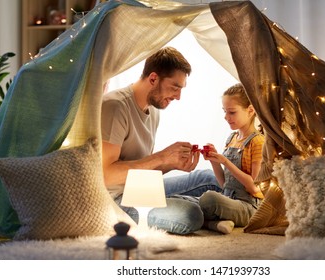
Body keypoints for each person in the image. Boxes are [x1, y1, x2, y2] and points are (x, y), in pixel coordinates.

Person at [101, 47, 221, 234]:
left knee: (210, 178)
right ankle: (207, 211)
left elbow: (142, 169)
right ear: (153, 78)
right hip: (117, 200)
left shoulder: (154, 110)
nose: (178, 97)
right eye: (175, 87)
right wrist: (162, 157)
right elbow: (106, 175)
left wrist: (172, 163)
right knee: (190, 215)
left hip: (142, 187)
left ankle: (208, 209)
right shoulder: (115, 107)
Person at [199, 83, 265, 234]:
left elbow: (254, 187)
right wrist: (214, 161)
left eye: (232, 112)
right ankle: (217, 223)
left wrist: (225, 161)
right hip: (228, 198)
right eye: (224, 112)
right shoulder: (231, 139)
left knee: (208, 200)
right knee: (185, 201)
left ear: (250, 110)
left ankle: (211, 222)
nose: (226, 117)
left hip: (248, 206)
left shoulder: (258, 142)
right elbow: (224, 184)